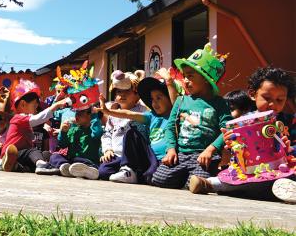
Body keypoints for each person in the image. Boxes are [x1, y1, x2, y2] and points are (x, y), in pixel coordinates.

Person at [190, 67, 296, 203]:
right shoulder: (242, 124)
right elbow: (235, 154)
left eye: (279, 100)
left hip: (283, 172)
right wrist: (230, 145)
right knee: (242, 179)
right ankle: (211, 184)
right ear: (252, 94)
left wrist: (289, 149)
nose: (272, 104)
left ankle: (213, 185)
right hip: (251, 174)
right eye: (267, 98)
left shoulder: (289, 121)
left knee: (285, 179)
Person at [151, 43, 232, 189]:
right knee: (159, 179)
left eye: (190, 76)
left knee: (197, 183)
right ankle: (186, 180)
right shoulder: (181, 101)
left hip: (205, 156)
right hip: (181, 154)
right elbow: (170, 127)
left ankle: (197, 181)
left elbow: (226, 129)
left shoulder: (219, 103)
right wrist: (171, 149)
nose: (185, 80)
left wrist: (211, 150)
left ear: (206, 79)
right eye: (184, 76)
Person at [98, 75, 174, 184]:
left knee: (152, 177)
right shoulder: (151, 115)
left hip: (158, 157)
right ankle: (128, 169)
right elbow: (128, 114)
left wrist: (170, 82)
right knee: (104, 172)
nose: (154, 103)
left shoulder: (173, 115)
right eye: (152, 99)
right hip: (134, 155)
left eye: (159, 98)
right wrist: (108, 112)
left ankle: (135, 172)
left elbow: (175, 102)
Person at [0, 79, 68, 174]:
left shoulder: (25, 119)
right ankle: (40, 165)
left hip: (22, 155)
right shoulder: (19, 118)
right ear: (23, 104)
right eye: (35, 103)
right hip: (12, 154)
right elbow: (39, 118)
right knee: (32, 151)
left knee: (45, 154)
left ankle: (17, 166)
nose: (37, 105)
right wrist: (56, 105)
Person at [98, 70, 148, 180]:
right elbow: (107, 134)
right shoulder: (113, 113)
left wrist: (141, 81)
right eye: (119, 92)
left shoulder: (142, 110)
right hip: (116, 155)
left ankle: (132, 172)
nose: (122, 95)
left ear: (137, 94)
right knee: (103, 172)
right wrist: (107, 150)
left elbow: (146, 101)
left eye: (127, 91)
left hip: (133, 156)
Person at [51, 107, 102, 180]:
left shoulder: (93, 130)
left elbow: (97, 134)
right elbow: (62, 144)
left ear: (89, 115)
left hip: (87, 161)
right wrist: (63, 132)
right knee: (55, 156)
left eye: (80, 114)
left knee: (81, 162)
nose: (76, 116)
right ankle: (65, 167)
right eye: (76, 113)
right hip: (72, 161)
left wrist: (94, 115)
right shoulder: (73, 130)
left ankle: (88, 170)